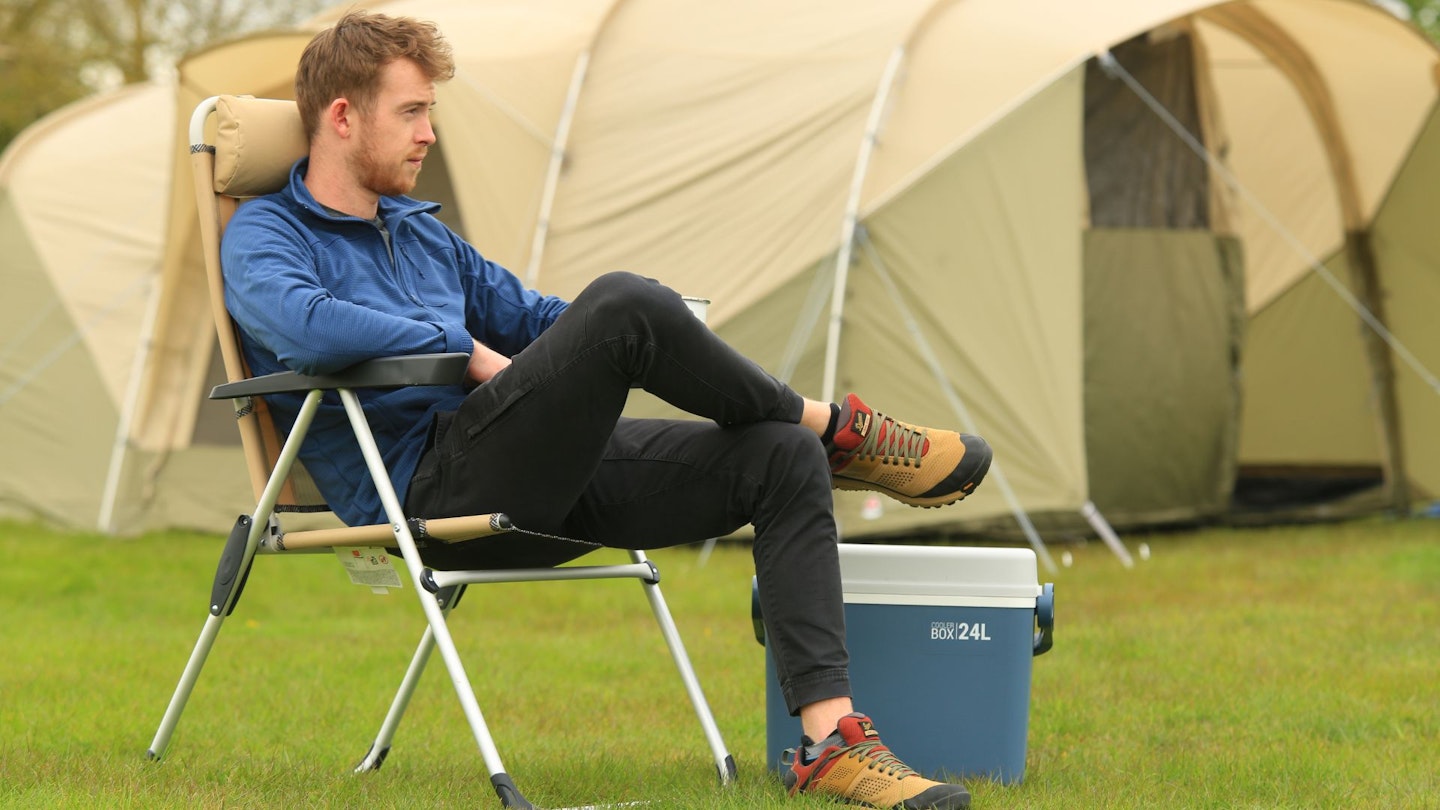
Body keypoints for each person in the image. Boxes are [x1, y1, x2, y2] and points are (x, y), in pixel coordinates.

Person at [222, 11, 992, 810]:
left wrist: (661, 331)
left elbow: (536, 318)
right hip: (429, 489)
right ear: (342, 117)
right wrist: (468, 350)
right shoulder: (264, 236)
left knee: (775, 452)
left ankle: (827, 741)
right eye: (412, 112)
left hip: (530, 476)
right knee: (625, 305)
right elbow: (305, 325)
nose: (429, 136)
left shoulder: (421, 237)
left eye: (432, 114)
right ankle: (842, 430)